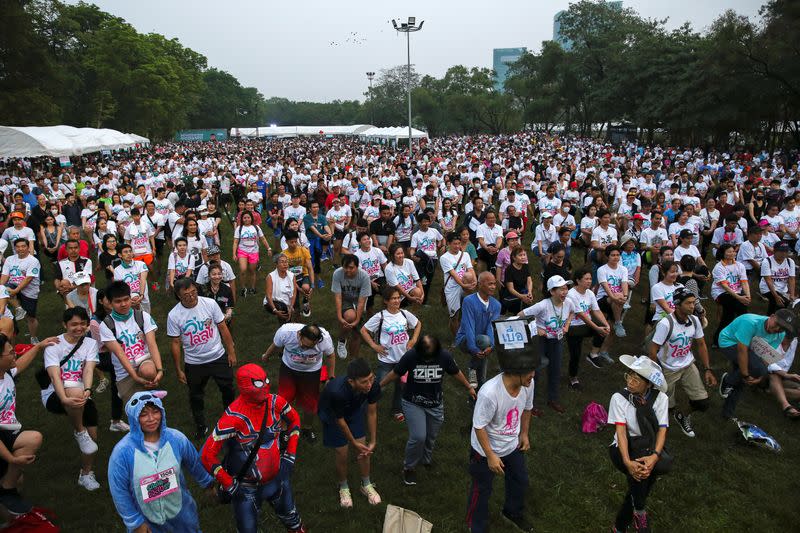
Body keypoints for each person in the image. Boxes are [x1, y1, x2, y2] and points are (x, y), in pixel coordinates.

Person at [201, 364, 306, 533]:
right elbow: (207, 455)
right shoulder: (233, 417)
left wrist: (290, 454)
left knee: (293, 522)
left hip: (278, 478)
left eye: (266, 380)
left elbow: (294, 419)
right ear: (244, 386)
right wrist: (229, 483)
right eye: (258, 383)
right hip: (247, 488)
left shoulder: (275, 402)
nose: (265, 385)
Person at [109, 390, 215, 533]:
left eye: (155, 412)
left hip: (182, 514)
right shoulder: (122, 452)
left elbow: (194, 462)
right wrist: (135, 522)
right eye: (143, 414)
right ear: (134, 418)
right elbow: (119, 490)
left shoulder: (176, 439)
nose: (151, 419)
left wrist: (208, 483)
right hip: (147, 521)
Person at [380, 335, 475, 486]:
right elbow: (396, 373)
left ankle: (426, 458)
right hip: (413, 402)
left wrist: (469, 387)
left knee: (431, 435)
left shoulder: (444, 356)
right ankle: (409, 467)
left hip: (435, 404)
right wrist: (379, 385)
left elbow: (455, 371)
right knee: (418, 436)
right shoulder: (410, 356)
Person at [466, 343, 536, 533]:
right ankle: (476, 526)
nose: (533, 375)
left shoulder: (528, 384)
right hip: (484, 450)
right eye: (530, 371)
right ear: (516, 371)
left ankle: (512, 512)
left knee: (520, 480)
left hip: (512, 446)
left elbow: (527, 408)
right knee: (482, 490)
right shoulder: (489, 393)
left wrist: (524, 434)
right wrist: (490, 455)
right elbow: (479, 426)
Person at [168, 278, 237, 441]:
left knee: (227, 388)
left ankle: (231, 418)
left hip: (217, 356)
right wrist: (178, 369)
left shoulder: (209, 304)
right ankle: (200, 424)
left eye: (194, 292)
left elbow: (222, 327)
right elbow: (175, 342)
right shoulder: (174, 315)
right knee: (195, 396)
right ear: (178, 296)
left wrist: (231, 351)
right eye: (186, 295)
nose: (192, 297)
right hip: (194, 362)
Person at [607, 355, 669, 533]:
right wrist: (627, 461)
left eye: (637, 378)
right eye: (629, 375)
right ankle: (640, 512)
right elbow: (621, 434)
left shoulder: (661, 399)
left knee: (638, 486)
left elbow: (662, 430)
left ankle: (619, 527)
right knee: (640, 477)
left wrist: (655, 457)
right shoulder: (619, 398)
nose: (631, 381)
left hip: (650, 449)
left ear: (649, 383)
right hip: (622, 449)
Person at [42, 307, 101, 491]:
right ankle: (79, 431)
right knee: (74, 395)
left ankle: (86, 473)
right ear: (64, 324)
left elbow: (89, 369)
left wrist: (88, 389)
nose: (79, 327)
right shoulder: (54, 344)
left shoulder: (90, 343)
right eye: (74, 324)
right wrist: (64, 398)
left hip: (81, 392)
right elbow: (54, 376)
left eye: (83, 324)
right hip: (55, 393)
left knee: (93, 437)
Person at [648, 287, 716, 438]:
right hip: (667, 368)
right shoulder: (665, 324)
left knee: (702, 403)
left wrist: (707, 369)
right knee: (666, 406)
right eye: (688, 303)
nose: (692, 306)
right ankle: (655, 430)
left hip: (687, 365)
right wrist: (655, 373)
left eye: (693, 302)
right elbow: (653, 350)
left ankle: (682, 415)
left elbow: (701, 345)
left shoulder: (695, 321)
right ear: (678, 305)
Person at [0, 336, 55, 514]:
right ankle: (7, 492)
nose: (14, 354)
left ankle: (8, 492)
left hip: (9, 433)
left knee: (18, 479)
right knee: (30, 442)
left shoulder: (5, 373)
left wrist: (38, 347)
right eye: (10, 353)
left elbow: (20, 365)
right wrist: (11, 458)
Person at [318, 358, 382, 508]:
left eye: (371, 379)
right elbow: (340, 420)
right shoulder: (336, 392)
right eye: (364, 382)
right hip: (333, 416)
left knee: (364, 448)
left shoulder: (372, 385)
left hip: (353, 411)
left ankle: (366, 484)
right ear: (351, 382)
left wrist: (373, 441)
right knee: (342, 452)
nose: (369, 385)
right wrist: (353, 442)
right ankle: (344, 487)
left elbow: (372, 412)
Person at [718, 310, 798, 419]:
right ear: (772, 316)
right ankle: (728, 380)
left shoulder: (780, 334)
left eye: (782, 328)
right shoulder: (750, 322)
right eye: (777, 324)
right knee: (749, 371)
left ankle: (727, 414)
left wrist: (759, 376)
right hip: (729, 342)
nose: (777, 329)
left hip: (750, 350)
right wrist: (746, 374)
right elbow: (742, 351)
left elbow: (765, 356)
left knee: (744, 380)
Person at [262, 323, 335, 442]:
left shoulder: (325, 339)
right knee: (284, 400)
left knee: (310, 403)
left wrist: (330, 378)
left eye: (309, 347)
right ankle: (284, 429)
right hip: (289, 369)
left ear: (317, 342)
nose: (304, 348)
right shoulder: (286, 332)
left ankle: (307, 429)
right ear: (299, 334)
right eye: (303, 344)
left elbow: (331, 356)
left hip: (311, 372)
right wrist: (266, 355)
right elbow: (275, 345)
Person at [361, 286, 422, 421]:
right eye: (393, 298)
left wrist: (413, 339)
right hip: (386, 360)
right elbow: (364, 330)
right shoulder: (380, 316)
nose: (396, 301)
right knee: (380, 386)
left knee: (402, 385)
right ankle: (367, 406)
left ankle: (397, 409)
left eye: (398, 298)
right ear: (386, 301)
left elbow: (418, 324)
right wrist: (374, 346)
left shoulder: (405, 314)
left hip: (403, 359)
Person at [99, 280, 163, 404]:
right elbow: (119, 353)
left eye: (126, 299)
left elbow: (152, 344)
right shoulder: (106, 325)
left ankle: (152, 391)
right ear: (110, 303)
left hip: (145, 362)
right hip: (124, 372)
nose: (123, 304)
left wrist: (159, 370)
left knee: (153, 408)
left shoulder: (142, 316)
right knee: (135, 411)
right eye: (118, 301)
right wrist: (135, 377)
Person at [520, 275, 574, 414]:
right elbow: (521, 315)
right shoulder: (543, 305)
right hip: (541, 340)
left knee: (555, 369)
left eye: (566, 288)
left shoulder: (568, 303)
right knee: (536, 371)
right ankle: (530, 404)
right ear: (552, 291)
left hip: (557, 340)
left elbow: (572, 313)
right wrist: (536, 329)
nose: (565, 292)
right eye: (561, 289)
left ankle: (553, 399)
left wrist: (567, 325)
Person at [455, 272, 501, 390]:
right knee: (484, 341)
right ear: (480, 285)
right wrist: (473, 348)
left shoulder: (496, 305)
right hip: (465, 340)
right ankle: (473, 369)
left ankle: (479, 384)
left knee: (486, 343)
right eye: (490, 284)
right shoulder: (469, 301)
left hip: (483, 342)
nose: (493, 287)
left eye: (494, 284)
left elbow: (491, 327)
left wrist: (491, 346)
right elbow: (469, 326)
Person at [566, 267, 611, 386]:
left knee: (603, 328)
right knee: (575, 354)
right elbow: (582, 316)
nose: (589, 281)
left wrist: (606, 324)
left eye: (590, 279)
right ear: (578, 280)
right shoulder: (571, 294)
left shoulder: (590, 293)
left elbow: (596, 311)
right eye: (586, 279)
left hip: (585, 325)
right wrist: (597, 328)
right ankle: (573, 378)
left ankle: (593, 354)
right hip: (572, 328)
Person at [0, 239, 41, 342]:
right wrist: (0, 288)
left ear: (28, 248)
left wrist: (16, 291)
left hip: (29, 290)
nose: (20, 249)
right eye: (18, 247)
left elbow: (28, 279)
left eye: (23, 246)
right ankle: (18, 308)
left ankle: (33, 337)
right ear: (14, 248)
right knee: (5, 288)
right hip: (12, 285)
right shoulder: (10, 259)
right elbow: (5, 275)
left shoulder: (33, 261)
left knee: (31, 317)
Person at [331, 255, 371, 359]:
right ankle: (342, 339)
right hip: (345, 299)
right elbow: (338, 297)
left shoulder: (364, 276)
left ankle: (354, 358)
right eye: (345, 267)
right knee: (349, 317)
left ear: (357, 267)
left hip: (359, 300)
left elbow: (362, 301)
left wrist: (357, 320)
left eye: (351, 267)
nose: (347, 270)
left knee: (357, 330)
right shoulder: (337, 274)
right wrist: (340, 317)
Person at [711, 243, 750, 345]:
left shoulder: (740, 265)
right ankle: (743, 335)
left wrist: (748, 296)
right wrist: (740, 298)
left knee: (728, 316)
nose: (733, 253)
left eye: (733, 251)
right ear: (723, 254)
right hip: (721, 293)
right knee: (740, 309)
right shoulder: (718, 267)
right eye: (729, 251)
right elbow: (724, 286)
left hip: (735, 293)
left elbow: (744, 282)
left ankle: (718, 340)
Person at [440, 231, 477, 336]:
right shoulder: (444, 258)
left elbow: (470, 269)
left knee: (468, 311)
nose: (457, 246)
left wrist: (474, 281)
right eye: (454, 244)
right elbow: (453, 274)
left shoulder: (465, 255)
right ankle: (457, 338)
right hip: (452, 288)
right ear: (448, 244)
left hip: (465, 285)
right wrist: (463, 285)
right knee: (454, 315)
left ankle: (468, 332)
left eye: (458, 243)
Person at [232, 211, 272, 296]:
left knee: (252, 270)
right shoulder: (239, 228)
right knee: (243, 269)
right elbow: (235, 242)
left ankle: (252, 288)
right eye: (244, 218)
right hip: (242, 251)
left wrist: (268, 248)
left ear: (251, 218)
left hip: (254, 252)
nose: (246, 219)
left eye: (248, 217)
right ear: (242, 219)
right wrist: (234, 254)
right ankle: (243, 288)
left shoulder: (256, 227)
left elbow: (263, 238)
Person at [283, 229, 314, 318]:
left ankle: (306, 302)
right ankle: (297, 317)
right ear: (286, 242)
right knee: (294, 301)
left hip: (303, 275)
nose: (294, 244)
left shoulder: (303, 250)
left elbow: (310, 268)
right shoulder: (284, 255)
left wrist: (312, 285)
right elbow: (286, 275)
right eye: (291, 242)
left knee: (306, 288)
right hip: (291, 278)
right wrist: (297, 288)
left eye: (295, 242)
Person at [766, 335, 800, 418]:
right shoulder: (772, 337)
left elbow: (787, 364)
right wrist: (784, 374)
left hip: (779, 376)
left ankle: (771, 390)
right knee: (774, 374)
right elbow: (766, 361)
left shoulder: (794, 341)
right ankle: (786, 406)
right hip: (762, 371)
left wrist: (786, 374)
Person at [759, 241, 796, 314]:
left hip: (782, 289)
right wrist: (776, 296)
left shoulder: (790, 261)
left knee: (786, 303)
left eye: (786, 251)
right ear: (774, 251)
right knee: (779, 302)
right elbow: (768, 281)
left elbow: (791, 279)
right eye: (781, 251)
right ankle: (769, 320)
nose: (784, 254)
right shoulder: (767, 261)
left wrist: (792, 295)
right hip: (767, 288)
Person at [114, 243, 151, 313]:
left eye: (130, 251)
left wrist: (141, 295)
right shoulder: (117, 270)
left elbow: (143, 280)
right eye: (125, 252)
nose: (129, 254)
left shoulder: (141, 264)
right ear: (120, 255)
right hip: (128, 299)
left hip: (143, 298)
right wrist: (129, 299)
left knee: (146, 317)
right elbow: (120, 287)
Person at [264, 253, 297, 324]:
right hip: (272, 302)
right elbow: (268, 296)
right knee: (283, 309)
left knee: (291, 309)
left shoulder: (292, 276)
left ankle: (289, 324)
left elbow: (294, 293)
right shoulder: (270, 277)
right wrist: (274, 310)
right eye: (282, 262)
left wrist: (291, 306)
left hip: (286, 302)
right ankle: (285, 325)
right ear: (276, 264)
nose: (285, 264)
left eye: (286, 262)